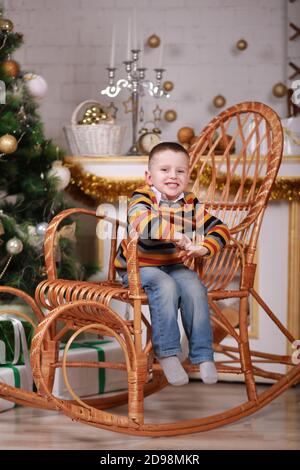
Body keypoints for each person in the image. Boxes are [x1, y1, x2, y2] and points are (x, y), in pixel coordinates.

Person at [115, 142, 230, 386]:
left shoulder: (190, 203)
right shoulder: (141, 198)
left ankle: (203, 355)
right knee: (165, 285)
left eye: (180, 171)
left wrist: (203, 247)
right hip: (138, 268)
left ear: (188, 176)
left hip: (173, 265)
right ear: (149, 176)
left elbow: (220, 229)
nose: (172, 176)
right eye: (165, 170)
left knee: (195, 287)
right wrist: (176, 235)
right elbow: (143, 223)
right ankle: (167, 352)